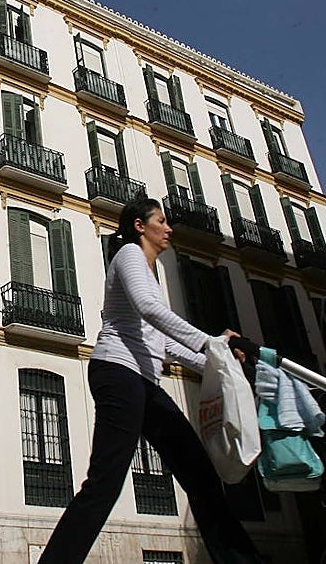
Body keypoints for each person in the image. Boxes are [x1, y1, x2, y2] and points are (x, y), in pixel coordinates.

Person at [38, 198, 262, 564]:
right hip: (118, 372)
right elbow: (148, 309)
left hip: (144, 382)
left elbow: (164, 343)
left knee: (200, 475)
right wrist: (211, 343)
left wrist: (220, 362)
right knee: (105, 483)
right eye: (161, 221)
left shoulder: (149, 273)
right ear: (140, 226)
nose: (169, 228)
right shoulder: (129, 254)